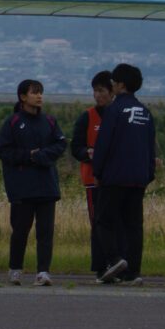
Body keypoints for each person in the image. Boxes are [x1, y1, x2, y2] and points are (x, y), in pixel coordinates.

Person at [0, 77, 66, 285]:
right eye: (34, 92)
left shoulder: (50, 121)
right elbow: (4, 151)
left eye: (40, 92)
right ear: (23, 97)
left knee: (45, 232)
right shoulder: (13, 122)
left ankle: (43, 272)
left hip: (47, 186)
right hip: (22, 187)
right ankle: (15, 269)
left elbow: (61, 144)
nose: (39, 96)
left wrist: (41, 156)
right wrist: (29, 156)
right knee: (20, 230)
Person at [92, 62, 155, 284]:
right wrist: (148, 174)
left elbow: (103, 144)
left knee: (104, 220)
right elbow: (150, 146)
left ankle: (115, 258)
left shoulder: (114, 110)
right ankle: (133, 271)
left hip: (114, 176)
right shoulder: (145, 112)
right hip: (138, 178)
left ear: (120, 84)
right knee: (133, 225)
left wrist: (97, 171)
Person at [73, 70, 116, 277]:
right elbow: (75, 147)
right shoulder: (87, 117)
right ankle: (100, 267)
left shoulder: (119, 114)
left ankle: (116, 262)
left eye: (101, 91)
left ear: (112, 91)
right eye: (95, 91)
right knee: (97, 223)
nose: (97, 95)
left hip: (117, 179)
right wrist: (86, 152)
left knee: (117, 223)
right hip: (93, 181)